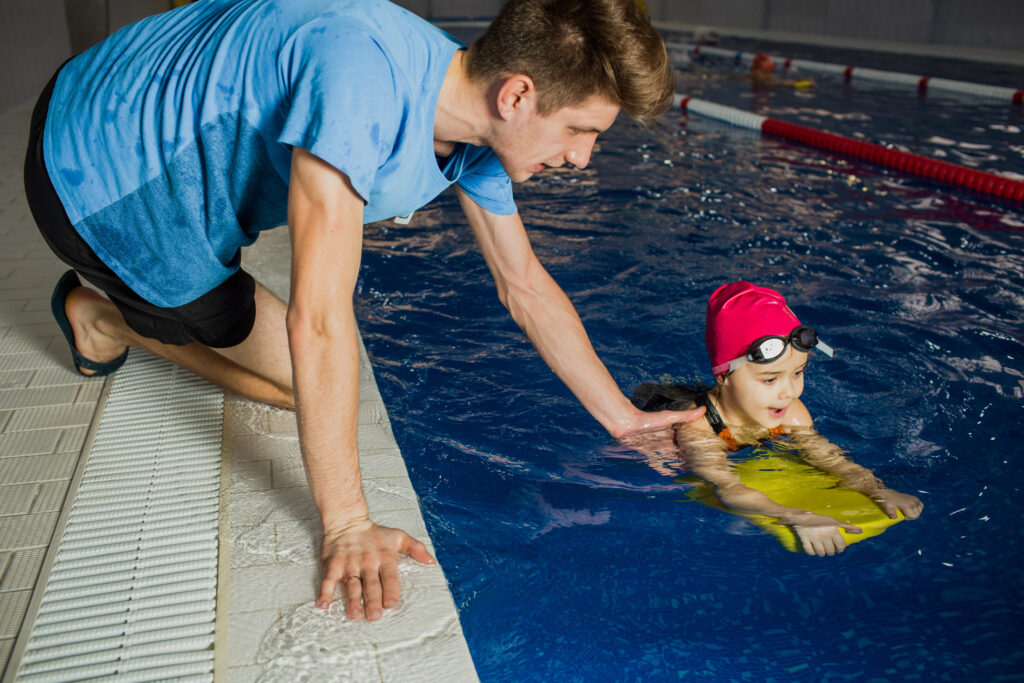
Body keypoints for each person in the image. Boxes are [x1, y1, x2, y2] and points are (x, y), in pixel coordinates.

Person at [24, 0, 703, 622]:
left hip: (141, 134)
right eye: (581, 130)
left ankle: (121, 310)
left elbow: (523, 284)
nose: (582, 158)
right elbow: (316, 316)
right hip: (100, 177)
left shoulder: (466, 108)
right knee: (311, 383)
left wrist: (626, 417)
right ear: (518, 93)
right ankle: (105, 317)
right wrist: (348, 521)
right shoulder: (356, 80)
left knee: (325, 388)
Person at [632, 281, 923, 556]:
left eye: (798, 373)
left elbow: (832, 459)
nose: (789, 392)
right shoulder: (699, 429)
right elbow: (729, 489)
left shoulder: (792, 411)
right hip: (671, 407)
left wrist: (879, 491)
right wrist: (793, 515)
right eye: (770, 379)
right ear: (724, 375)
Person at [748, 52, 814, 90]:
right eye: (764, 72)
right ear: (754, 71)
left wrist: (800, 81)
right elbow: (783, 83)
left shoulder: (768, 80)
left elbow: (783, 82)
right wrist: (802, 84)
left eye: (771, 72)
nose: (768, 75)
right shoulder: (749, 80)